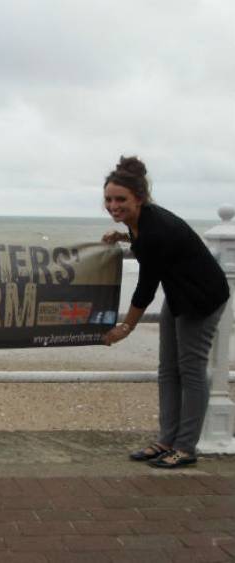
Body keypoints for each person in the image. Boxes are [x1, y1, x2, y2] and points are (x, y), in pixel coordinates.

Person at [101, 155, 229, 469]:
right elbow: (146, 244)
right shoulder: (142, 223)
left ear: (139, 198)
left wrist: (125, 328)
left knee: (191, 370)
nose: (113, 205)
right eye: (108, 199)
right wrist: (123, 236)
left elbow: (145, 287)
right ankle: (165, 440)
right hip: (179, 294)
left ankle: (185, 448)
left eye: (121, 199)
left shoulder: (156, 229)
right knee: (167, 369)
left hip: (201, 298)